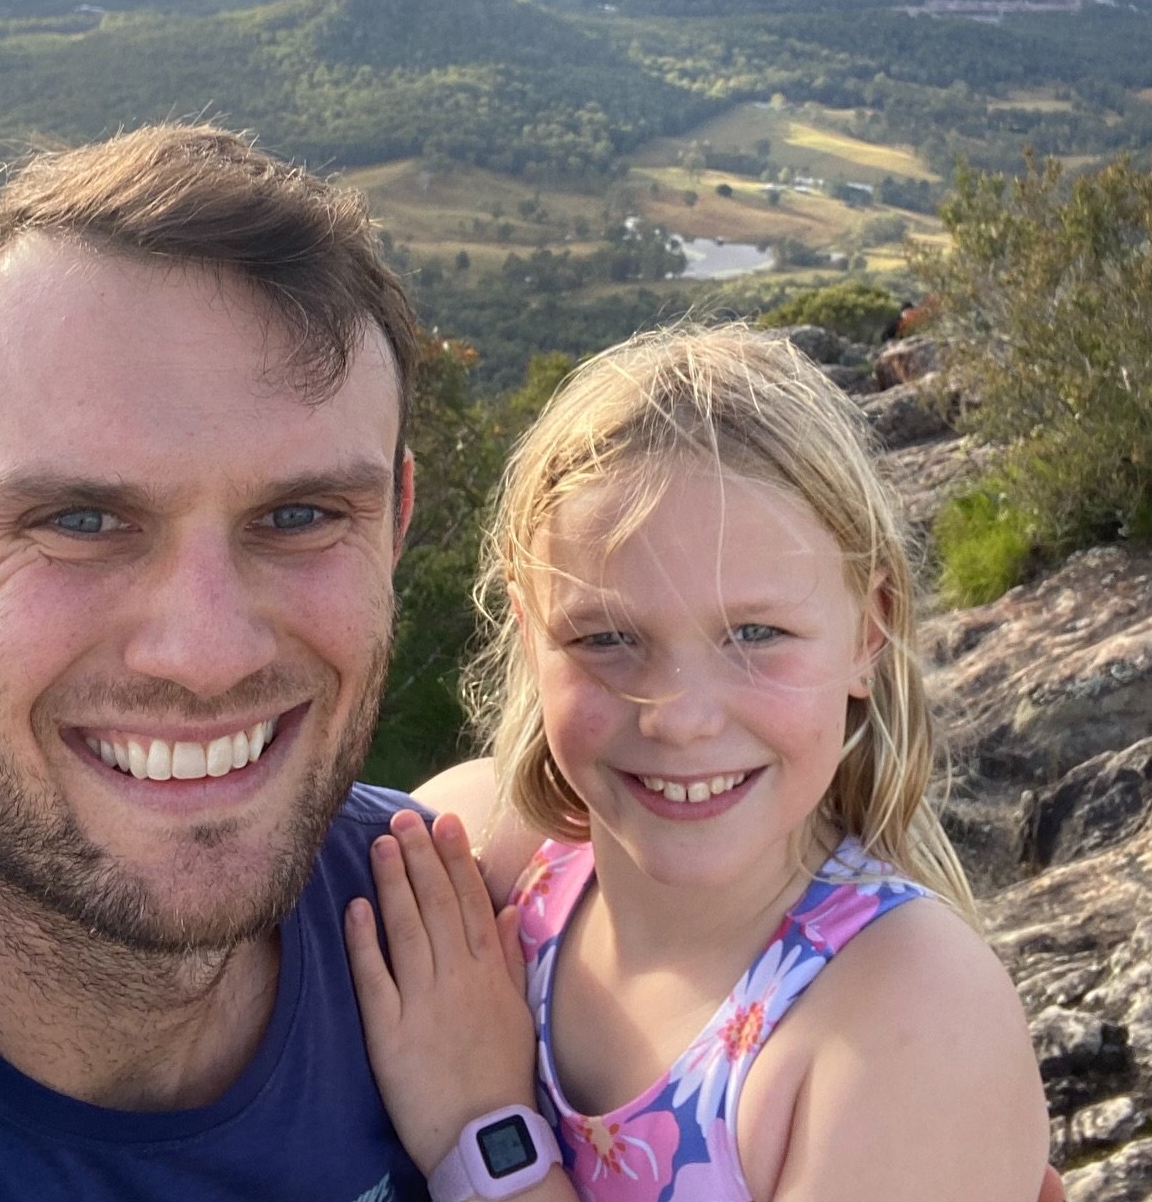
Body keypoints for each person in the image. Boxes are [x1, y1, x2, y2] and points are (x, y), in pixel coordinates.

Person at [346, 323, 1054, 1201]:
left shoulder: (913, 1019)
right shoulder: (494, 862)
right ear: (532, 639)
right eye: (606, 638)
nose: (679, 718)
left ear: (868, 632)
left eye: (755, 634)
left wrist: (481, 1125)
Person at [0, 124, 438, 1200]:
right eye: (80, 521)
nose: (208, 657)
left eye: (301, 516)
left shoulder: (463, 939)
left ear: (395, 527)